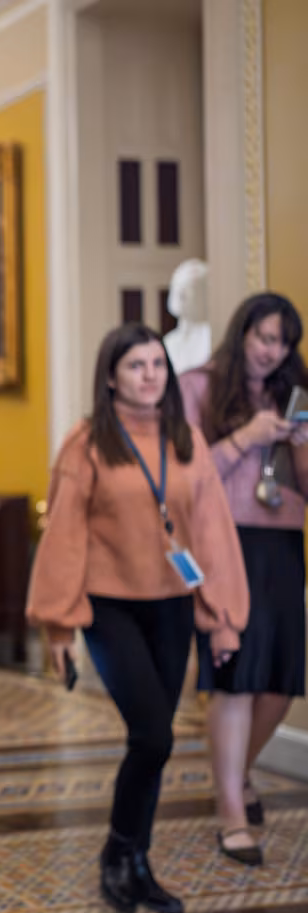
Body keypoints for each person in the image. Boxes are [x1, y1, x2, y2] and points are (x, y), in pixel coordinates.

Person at [28, 323, 248, 913]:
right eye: (135, 365)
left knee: (150, 739)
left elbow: (211, 533)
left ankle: (136, 862)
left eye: (157, 364)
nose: (150, 375)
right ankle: (118, 851)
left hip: (172, 604)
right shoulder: (86, 443)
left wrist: (223, 617)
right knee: (153, 734)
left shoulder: (186, 439)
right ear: (110, 376)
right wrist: (58, 624)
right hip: (109, 607)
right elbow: (65, 537)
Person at [179, 292, 308, 866]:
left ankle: (237, 773)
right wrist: (246, 438)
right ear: (243, 333)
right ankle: (231, 809)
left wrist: (300, 449)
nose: (272, 352)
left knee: (279, 681)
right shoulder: (197, 387)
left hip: (282, 542)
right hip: (223, 540)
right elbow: (184, 478)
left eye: (283, 343)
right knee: (235, 677)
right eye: (265, 337)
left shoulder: (294, 393)